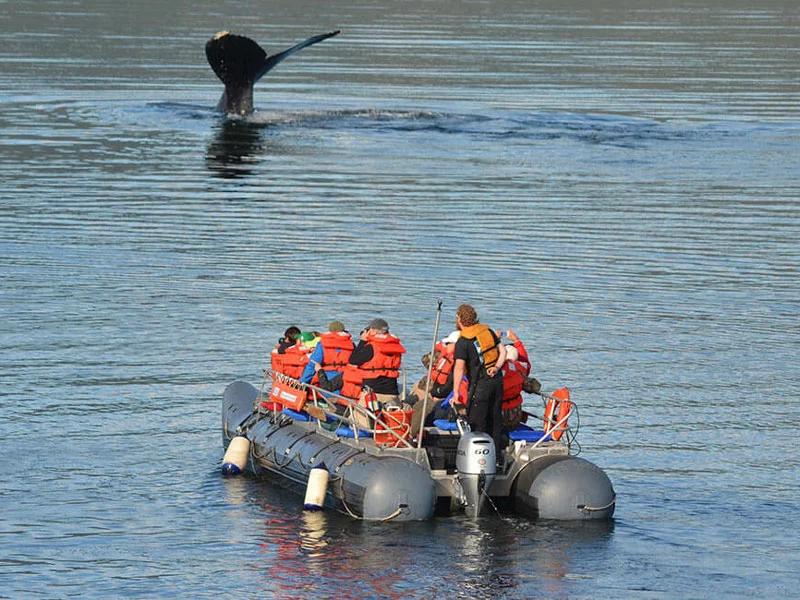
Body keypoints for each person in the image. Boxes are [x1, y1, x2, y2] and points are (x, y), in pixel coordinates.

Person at [451, 304, 507, 454]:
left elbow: (459, 368)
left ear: (459, 319)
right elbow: (503, 351)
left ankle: (479, 458)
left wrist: (455, 392)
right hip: (496, 382)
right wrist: (496, 367)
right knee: (495, 420)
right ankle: (496, 457)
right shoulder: (487, 331)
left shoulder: (463, 342)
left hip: (480, 385)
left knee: (477, 423)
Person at [341, 318, 406, 409]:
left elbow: (353, 360)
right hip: (391, 392)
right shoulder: (395, 347)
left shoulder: (371, 347)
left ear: (374, 331)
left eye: (369, 330)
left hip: (373, 392)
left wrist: (362, 341)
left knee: (358, 418)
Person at [300, 321, 354, 386]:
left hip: (326, 379)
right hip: (345, 379)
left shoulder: (322, 344)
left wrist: (302, 381)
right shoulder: (351, 344)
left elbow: (313, 364)